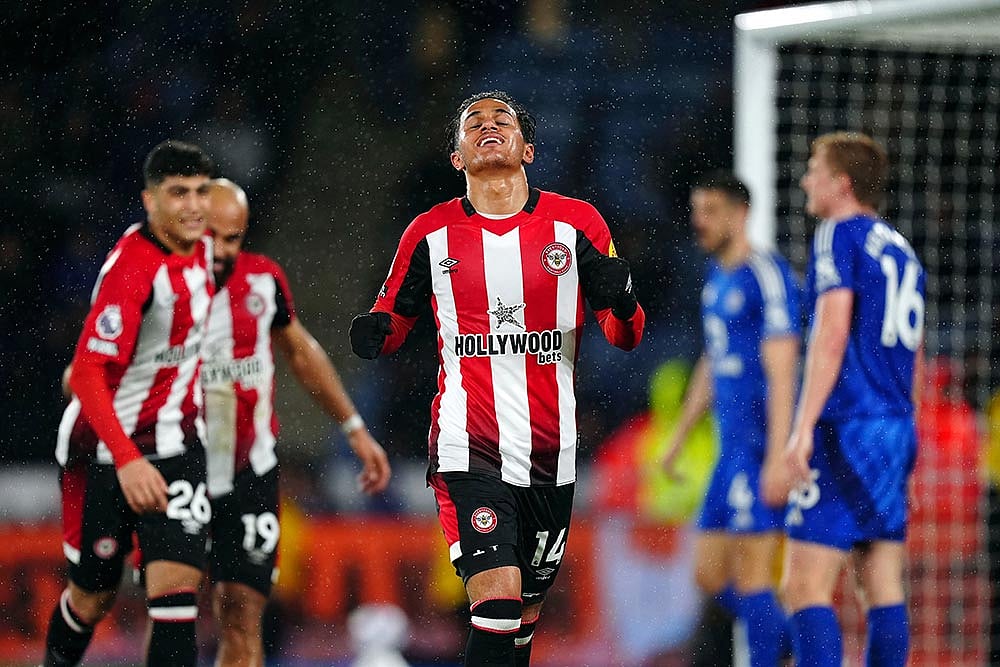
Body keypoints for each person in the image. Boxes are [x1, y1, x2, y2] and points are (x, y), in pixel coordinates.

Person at [349, 90, 645, 667]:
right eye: (473, 123)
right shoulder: (429, 233)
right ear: (457, 157)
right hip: (468, 444)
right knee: (497, 598)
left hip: (550, 451)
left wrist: (624, 299)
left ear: (527, 148)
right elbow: (394, 321)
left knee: (523, 617)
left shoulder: (578, 223)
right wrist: (374, 334)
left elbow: (623, 334)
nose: (488, 126)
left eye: (501, 120)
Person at [201, 178, 392, 666]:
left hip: (248, 472)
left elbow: (302, 352)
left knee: (245, 610)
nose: (222, 249)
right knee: (172, 603)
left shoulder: (262, 282)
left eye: (233, 237)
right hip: (183, 467)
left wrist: (353, 427)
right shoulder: (157, 285)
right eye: (212, 235)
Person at [43, 140, 216, 667]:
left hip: (180, 443)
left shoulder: (205, 245)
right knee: (92, 597)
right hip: (106, 448)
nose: (192, 205)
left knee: (176, 594)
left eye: (200, 192)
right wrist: (126, 457)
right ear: (149, 199)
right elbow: (90, 371)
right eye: (177, 193)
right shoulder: (134, 271)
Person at [783, 131, 925, 667]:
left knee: (803, 586)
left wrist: (802, 429)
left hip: (845, 426)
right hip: (893, 425)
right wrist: (903, 450)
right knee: (880, 582)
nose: (805, 180)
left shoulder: (836, 233)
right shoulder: (901, 249)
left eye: (814, 169)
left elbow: (832, 333)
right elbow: (914, 351)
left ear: (841, 183)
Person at [661, 171, 800, 666]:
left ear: (739, 215)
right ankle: (796, 644)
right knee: (708, 575)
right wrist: (678, 437)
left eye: (711, 211)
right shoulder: (716, 278)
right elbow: (713, 362)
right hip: (729, 449)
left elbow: (784, 369)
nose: (700, 221)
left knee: (753, 577)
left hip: (760, 445)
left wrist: (781, 455)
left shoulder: (767, 274)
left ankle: (788, 650)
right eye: (696, 211)